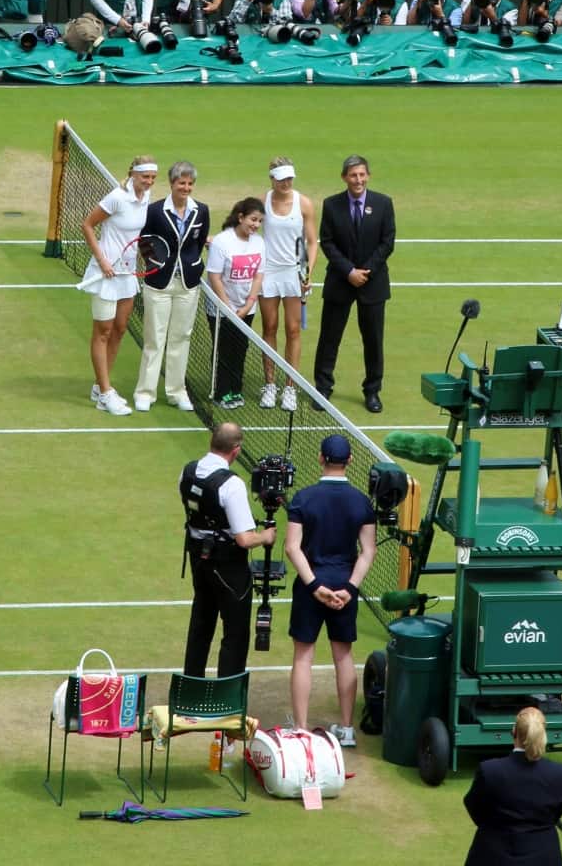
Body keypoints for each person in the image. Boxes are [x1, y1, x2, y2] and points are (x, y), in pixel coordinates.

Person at [285, 434, 376, 742]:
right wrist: (349, 588)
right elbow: (368, 551)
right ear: (349, 461)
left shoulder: (303, 498)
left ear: (321, 458)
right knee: (344, 656)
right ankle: (347, 729)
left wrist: (314, 586)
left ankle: (300, 728)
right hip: (344, 586)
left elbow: (292, 548)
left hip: (311, 585)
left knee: (303, 656)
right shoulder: (362, 501)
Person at [181, 423, 277, 678]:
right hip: (227, 566)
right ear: (236, 450)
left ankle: (191, 685)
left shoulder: (188, 471)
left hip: (198, 559)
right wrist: (266, 536)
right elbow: (244, 539)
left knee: (201, 621)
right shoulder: (231, 485)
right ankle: (227, 697)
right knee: (235, 632)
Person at [313, 154, 395, 414]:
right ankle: (323, 388)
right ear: (344, 178)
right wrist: (349, 271)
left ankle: (372, 391)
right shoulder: (332, 204)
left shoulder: (383, 204)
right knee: (329, 338)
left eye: (361, 175)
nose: (358, 180)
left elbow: (387, 242)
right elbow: (327, 241)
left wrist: (365, 272)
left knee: (373, 340)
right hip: (341, 280)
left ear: (368, 176)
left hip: (373, 284)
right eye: (353, 175)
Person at [79, 155, 156, 416]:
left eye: (152, 177)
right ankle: (105, 393)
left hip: (127, 273)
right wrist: (102, 261)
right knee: (103, 331)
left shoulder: (147, 197)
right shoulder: (116, 197)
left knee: (120, 330)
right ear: (133, 174)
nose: (149, 181)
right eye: (145, 176)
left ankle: (101, 386)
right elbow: (87, 225)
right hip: (106, 275)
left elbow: (138, 235)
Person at [133, 161, 210, 413]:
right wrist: (156, 264)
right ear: (172, 184)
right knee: (154, 338)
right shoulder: (155, 211)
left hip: (187, 285)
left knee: (181, 338)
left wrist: (189, 266)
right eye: (181, 183)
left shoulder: (202, 211)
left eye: (189, 183)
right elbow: (144, 241)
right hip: (159, 284)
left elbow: (196, 245)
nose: (186, 188)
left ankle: (177, 392)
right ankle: (145, 392)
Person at [463, 707, 562, 866]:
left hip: (491, 856)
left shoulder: (489, 771)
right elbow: (556, 813)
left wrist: (495, 828)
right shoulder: (560, 774)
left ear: (514, 732)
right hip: (544, 857)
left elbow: (474, 807)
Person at [259, 157, 318, 412]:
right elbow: (247, 229)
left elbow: (312, 242)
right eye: (281, 179)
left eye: (289, 178)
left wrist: (308, 272)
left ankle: (290, 388)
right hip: (268, 272)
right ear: (272, 178)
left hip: (293, 273)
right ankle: (270, 386)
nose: (286, 183)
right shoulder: (262, 202)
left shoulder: (303, 203)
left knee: (293, 330)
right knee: (269, 328)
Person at [206, 197, 266, 409]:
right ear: (240, 217)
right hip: (221, 309)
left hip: (246, 307)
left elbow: (258, 275)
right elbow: (214, 276)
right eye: (252, 219)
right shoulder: (222, 241)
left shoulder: (259, 242)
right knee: (224, 350)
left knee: (241, 348)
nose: (255, 225)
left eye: (259, 221)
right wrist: (228, 308)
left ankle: (235, 390)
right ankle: (221, 392)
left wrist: (249, 304)